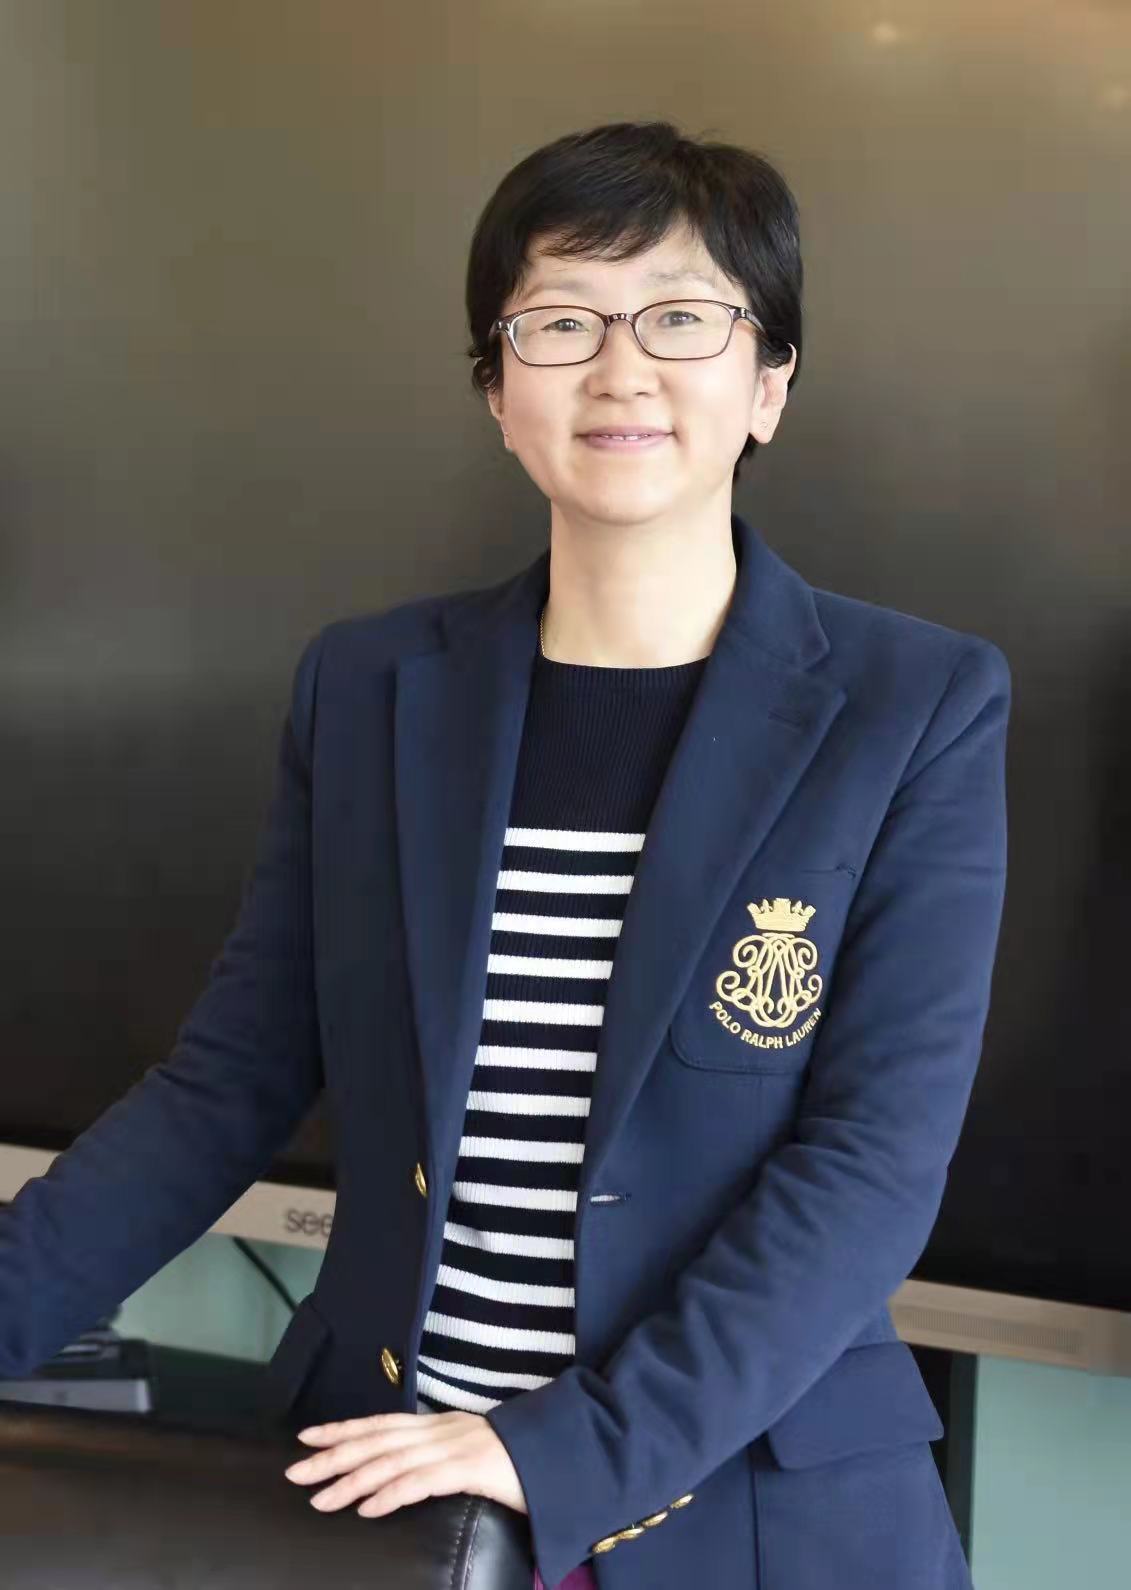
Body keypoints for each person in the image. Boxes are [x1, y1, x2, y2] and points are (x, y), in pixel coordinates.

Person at [0, 121, 1009, 1590]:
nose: (621, 368)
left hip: (747, 1511)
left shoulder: (915, 706)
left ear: (768, 383)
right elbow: (224, 1088)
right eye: (560, 320)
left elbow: (870, 1165)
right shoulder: (369, 689)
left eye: (682, 316)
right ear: (495, 385)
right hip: (384, 1489)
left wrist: (566, 1447)